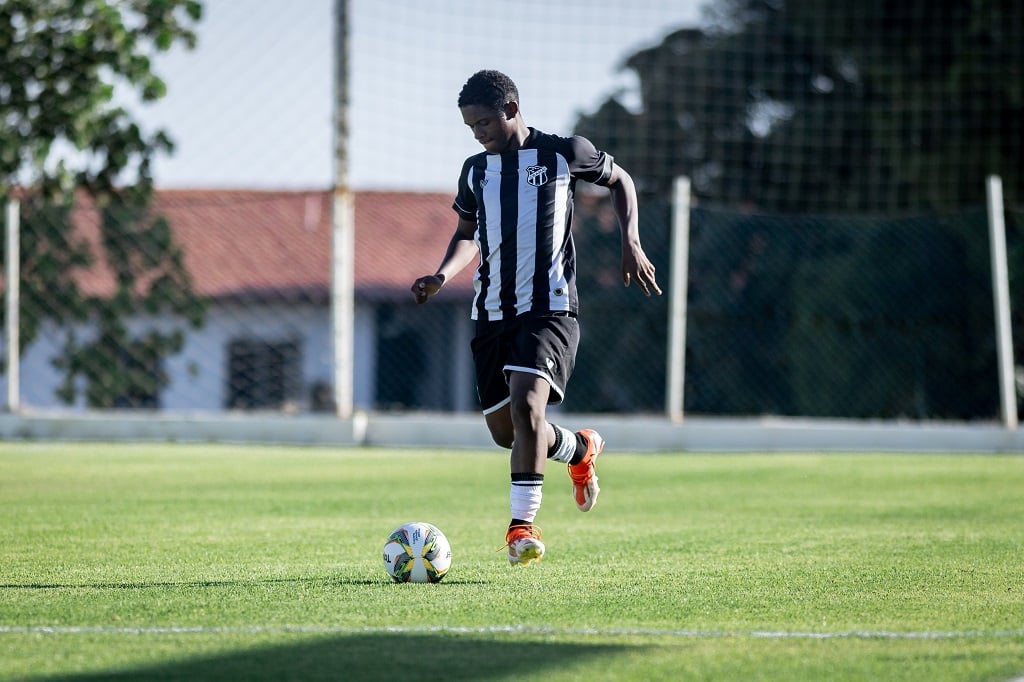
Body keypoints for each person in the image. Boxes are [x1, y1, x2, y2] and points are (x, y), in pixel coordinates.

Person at [411, 70, 661, 567]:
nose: (478, 133)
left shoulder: (563, 153)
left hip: (550, 306)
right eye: (470, 127)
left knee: (528, 409)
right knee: (509, 432)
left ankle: (521, 527)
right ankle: (579, 449)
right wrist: (441, 275)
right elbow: (467, 233)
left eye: (484, 122)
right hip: (491, 313)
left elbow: (621, 180)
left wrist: (630, 239)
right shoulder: (475, 171)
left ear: (511, 108)